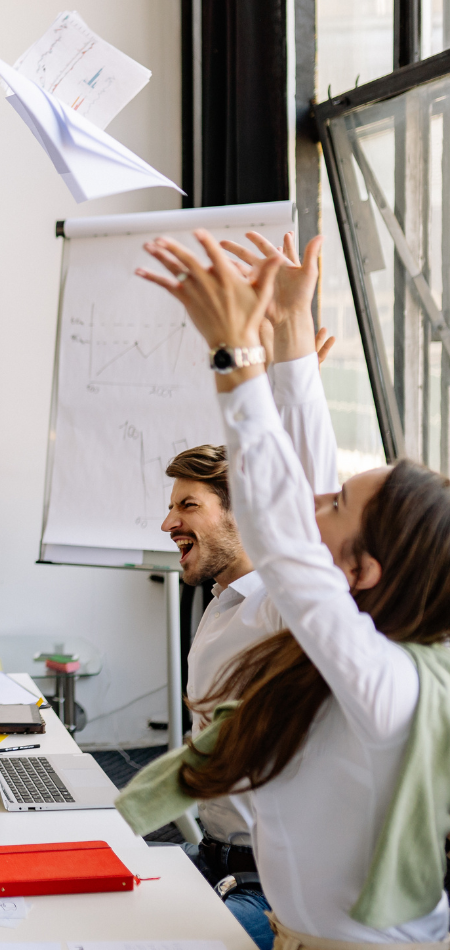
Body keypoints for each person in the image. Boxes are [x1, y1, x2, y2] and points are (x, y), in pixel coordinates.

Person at [122, 227, 450, 944]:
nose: (313, 503)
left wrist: (237, 361)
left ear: (361, 574)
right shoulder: (368, 645)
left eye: (333, 508)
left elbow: (281, 532)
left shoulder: (390, 684)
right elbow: (308, 482)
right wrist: (293, 338)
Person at [158, 232, 338, 949]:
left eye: (189, 506)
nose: (168, 522)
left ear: (243, 512)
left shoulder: (279, 607)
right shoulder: (222, 600)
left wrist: (279, 360)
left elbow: (308, 507)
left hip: (263, 889)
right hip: (214, 859)